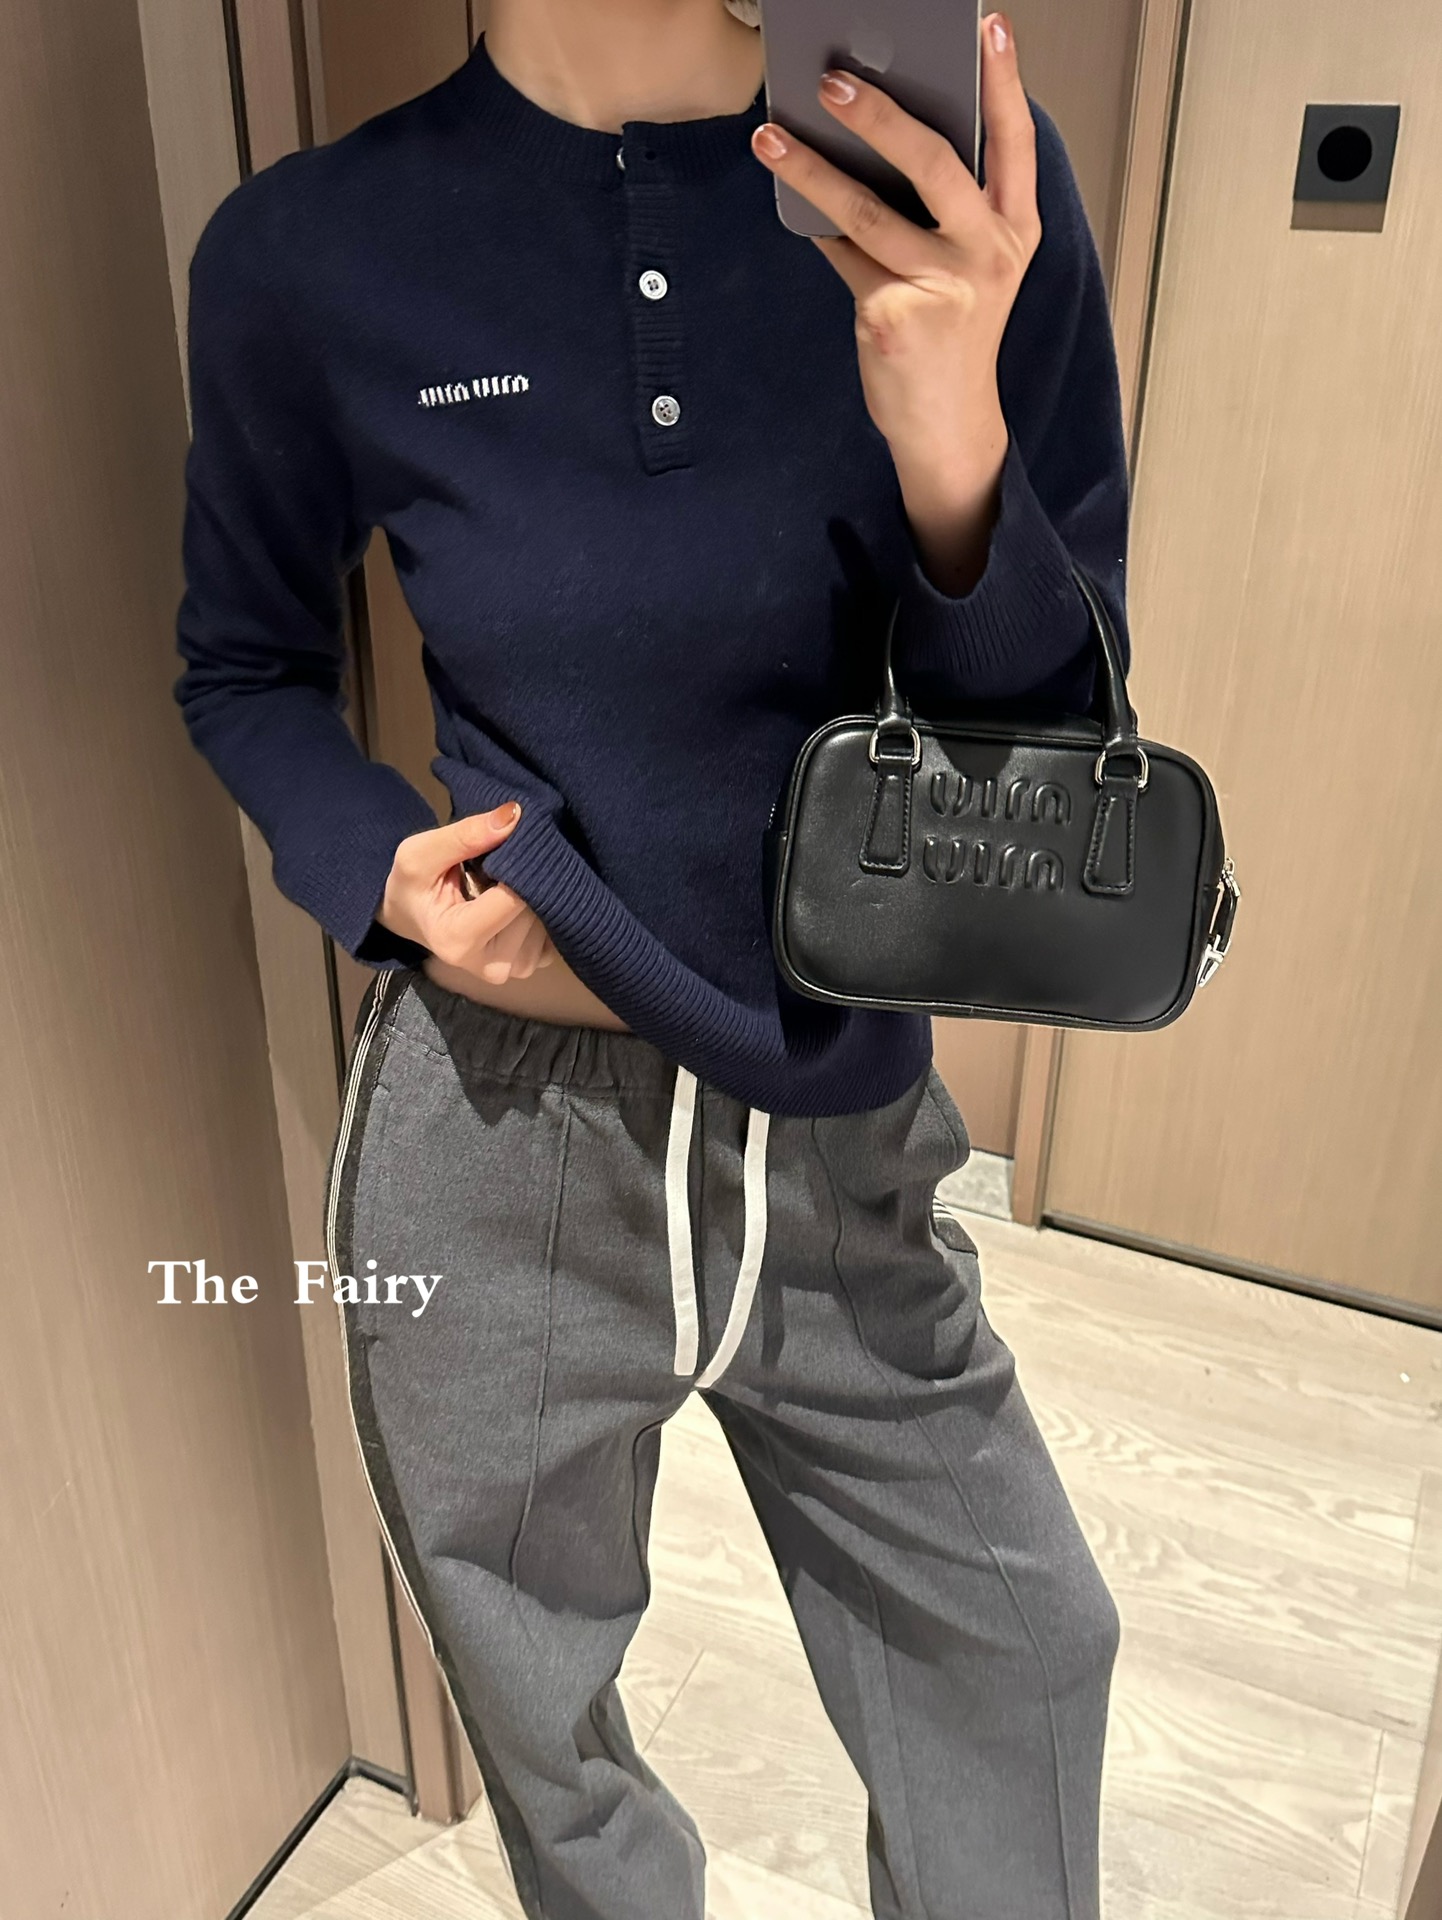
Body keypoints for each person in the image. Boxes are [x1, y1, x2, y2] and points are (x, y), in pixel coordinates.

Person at [174, 3, 1127, 1915]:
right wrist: (377, 868)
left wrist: (949, 427)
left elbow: (1052, 757)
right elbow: (245, 665)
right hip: (493, 1126)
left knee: (1020, 1655)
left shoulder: (955, 202)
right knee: (543, 1726)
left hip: (841, 1118)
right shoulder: (309, 247)